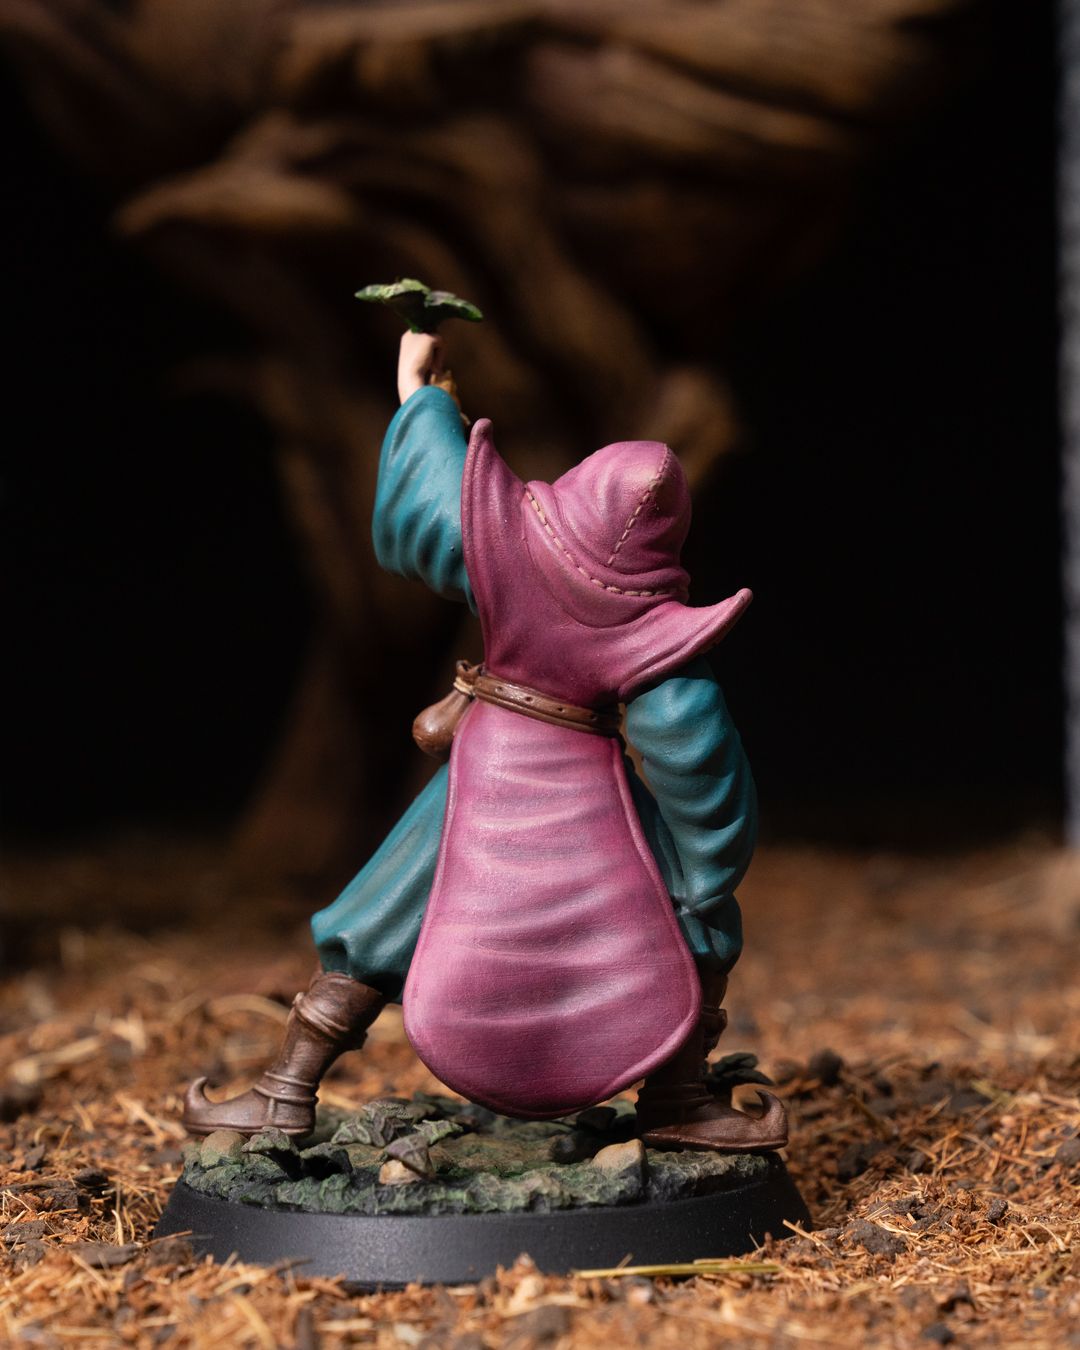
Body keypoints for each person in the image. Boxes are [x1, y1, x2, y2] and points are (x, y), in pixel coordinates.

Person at [184, 332, 786, 1152]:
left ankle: (283, 1093)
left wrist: (422, 394)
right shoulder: (648, 635)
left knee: (377, 918)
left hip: (484, 774)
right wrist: (707, 868)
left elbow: (438, 498)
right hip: (587, 795)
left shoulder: (510, 552)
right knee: (695, 924)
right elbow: (691, 748)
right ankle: (676, 1097)